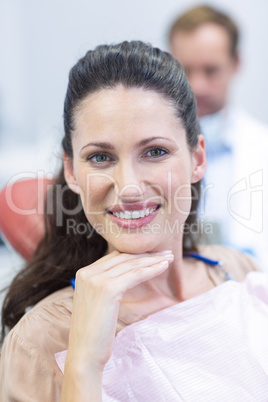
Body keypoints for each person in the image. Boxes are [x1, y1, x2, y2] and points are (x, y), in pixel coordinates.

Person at [0, 41, 268, 401]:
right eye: (100, 157)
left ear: (197, 158)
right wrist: (84, 366)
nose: (128, 187)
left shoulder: (237, 272)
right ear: (71, 171)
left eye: (155, 152)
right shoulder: (41, 339)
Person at [168, 5, 268, 266]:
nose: (197, 85)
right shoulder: (143, 146)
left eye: (211, 70)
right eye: (186, 70)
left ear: (235, 64)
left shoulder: (261, 146)